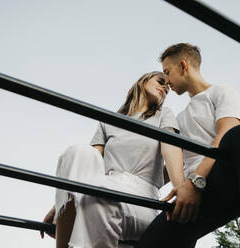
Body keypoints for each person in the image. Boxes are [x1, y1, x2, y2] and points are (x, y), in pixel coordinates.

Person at [136, 43, 240, 248]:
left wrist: (195, 182)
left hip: (223, 177)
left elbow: (225, 134)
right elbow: (173, 163)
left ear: (183, 66)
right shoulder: (179, 118)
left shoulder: (220, 92)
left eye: (168, 72)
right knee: (151, 240)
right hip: (193, 198)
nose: (167, 81)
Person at [40, 71, 185, 248]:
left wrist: (181, 188)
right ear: (143, 81)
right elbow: (84, 166)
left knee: (100, 195)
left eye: (168, 87)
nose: (165, 87)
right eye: (161, 81)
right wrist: (58, 207)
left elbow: (171, 147)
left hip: (141, 196)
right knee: (77, 152)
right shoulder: (109, 121)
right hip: (103, 184)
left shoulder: (163, 114)